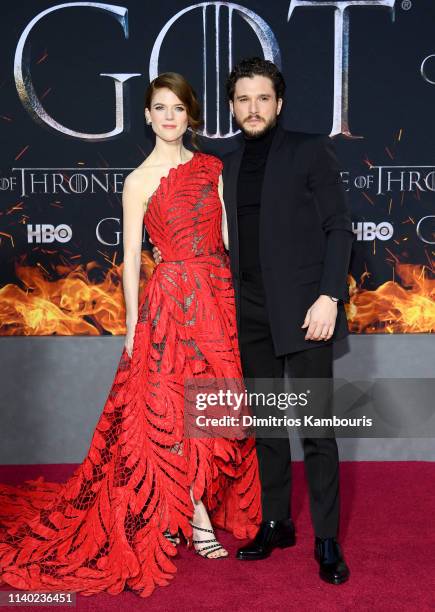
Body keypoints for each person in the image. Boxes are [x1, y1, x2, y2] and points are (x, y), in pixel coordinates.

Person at [0, 72, 261, 598]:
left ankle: (193, 505)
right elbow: (130, 265)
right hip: (168, 305)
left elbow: (231, 238)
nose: (169, 116)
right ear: (147, 116)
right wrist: (132, 327)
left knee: (213, 410)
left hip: (215, 298)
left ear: (190, 115)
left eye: (178, 108)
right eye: (159, 108)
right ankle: (199, 517)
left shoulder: (212, 168)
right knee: (169, 412)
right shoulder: (138, 181)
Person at [153, 58, 353, 585]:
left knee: (317, 429)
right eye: (243, 99)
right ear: (232, 107)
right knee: (266, 424)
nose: (253, 108)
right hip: (250, 311)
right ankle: (277, 522)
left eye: (262, 98)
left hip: (309, 310)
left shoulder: (309, 149)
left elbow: (339, 228)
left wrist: (330, 296)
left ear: (278, 103)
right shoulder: (227, 161)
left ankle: (327, 539)